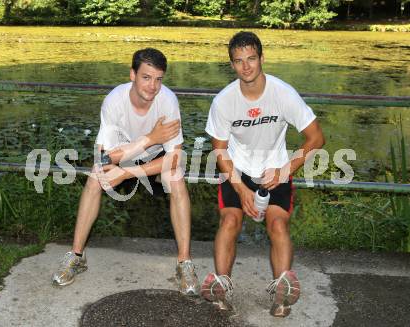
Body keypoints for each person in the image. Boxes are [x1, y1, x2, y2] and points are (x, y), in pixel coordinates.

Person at [52, 48, 200, 296]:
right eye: (146, 77)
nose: (153, 86)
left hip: (157, 158)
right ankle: (77, 256)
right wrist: (150, 138)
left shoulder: (167, 101)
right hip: (124, 153)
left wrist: (128, 173)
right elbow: (104, 158)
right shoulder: (114, 101)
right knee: (94, 179)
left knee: (176, 179)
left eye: (158, 79)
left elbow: (174, 158)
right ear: (132, 74)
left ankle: (184, 263)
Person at [201, 31, 325, 317]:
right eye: (238, 61)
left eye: (251, 59)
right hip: (237, 169)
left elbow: (316, 138)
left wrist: (285, 170)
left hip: (276, 170)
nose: (246, 67)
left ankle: (282, 295)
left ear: (261, 59)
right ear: (231, 65)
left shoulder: (283, 93)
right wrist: (242, 189)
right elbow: (220, 151)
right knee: (230, 220)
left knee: (278, 226)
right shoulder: (224, 101)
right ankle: (222, 290)